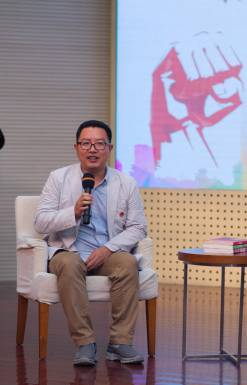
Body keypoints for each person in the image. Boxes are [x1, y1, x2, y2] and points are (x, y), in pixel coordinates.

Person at [34, 120, 148, 366]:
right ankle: (85, 343)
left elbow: (138, 227)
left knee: (127, 263)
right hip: (68, 251)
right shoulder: (58, 178)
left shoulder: (126, 182)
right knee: (69, 263)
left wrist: (108, 249)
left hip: (107, 252)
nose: (92, 149)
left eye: (99, 144)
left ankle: (119, 343)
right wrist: (73, 212)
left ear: (110, 148)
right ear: (76, 147)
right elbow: (40, 222)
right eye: (86, 143)